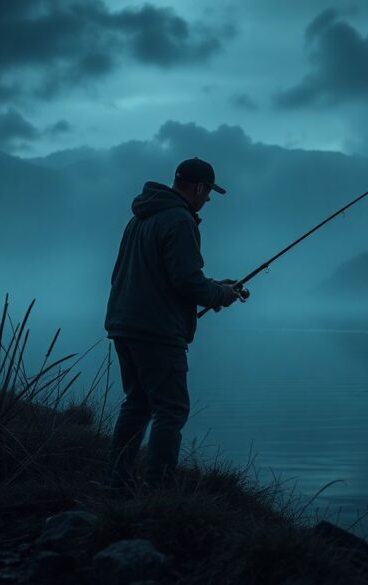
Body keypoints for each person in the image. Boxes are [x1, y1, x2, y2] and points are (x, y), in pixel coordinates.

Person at [102, 156, 245, 490]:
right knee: (172, 409)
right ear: (198, 187)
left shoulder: (141, 217)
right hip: (156, 332)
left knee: (138, 405)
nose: (208, 199)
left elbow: (168, 275)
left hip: (125, 324)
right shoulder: (180, 220)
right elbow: (186, 282)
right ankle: (160, 490)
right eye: (208, 192)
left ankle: (117, 484)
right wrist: (220, 295)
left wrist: (216, 287)